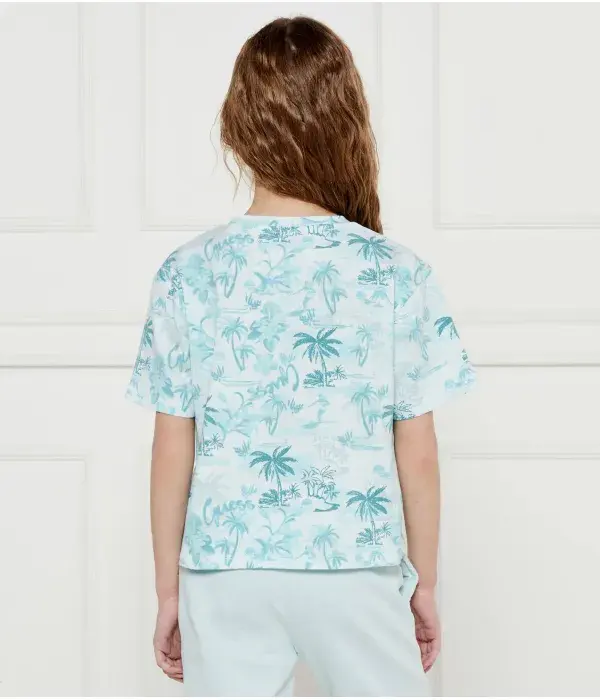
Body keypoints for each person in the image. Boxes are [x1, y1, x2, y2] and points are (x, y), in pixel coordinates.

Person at [126, 15, 475, 698]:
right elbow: (419, 450)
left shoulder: (187, 271)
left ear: (236, 130)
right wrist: (424, 581)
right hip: (355, 563)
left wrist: (169, 590)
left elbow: (171, 445)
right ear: (347, 125)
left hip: (225, 568)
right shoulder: (395, 272)